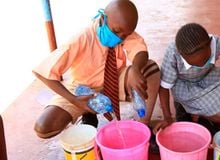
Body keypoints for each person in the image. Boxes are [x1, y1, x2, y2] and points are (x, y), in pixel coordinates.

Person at [33, 0, 160, 139]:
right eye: (116, 31)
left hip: (113, 80)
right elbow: (44, 72)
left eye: (124, 35)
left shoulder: (123, 28)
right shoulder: (81, 38)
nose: (119, 38)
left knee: (150, 69)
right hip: (81, 89)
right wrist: (74, 99)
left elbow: (140, 50)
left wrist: (135, 69)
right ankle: (87, 113)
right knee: (43, 127)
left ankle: (143, 126)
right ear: (103, 18)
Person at [154, 23, 220, 134]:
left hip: (208, 76)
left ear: (210, 43)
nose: (201, 65)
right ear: (181, 54)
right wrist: (167, 117)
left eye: (205, 60)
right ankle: (187, 107)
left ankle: (196, 111)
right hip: (184, 86)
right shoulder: (173, 53)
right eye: (194, 64)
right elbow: (164, 87)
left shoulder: (216, 43)